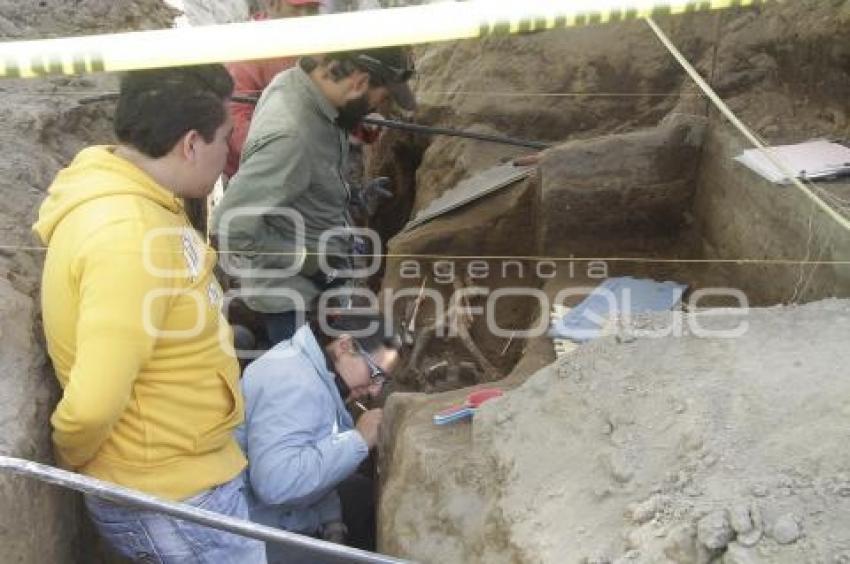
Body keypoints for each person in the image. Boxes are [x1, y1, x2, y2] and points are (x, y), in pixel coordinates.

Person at [33, 66, 266, 563]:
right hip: (171, 499)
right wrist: (83, 462)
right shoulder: (126, 237)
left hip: (187, 475)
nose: (229, 155)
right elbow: (92, 407)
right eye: (225, 139)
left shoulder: (148, 200)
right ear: (189, 144)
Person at [211, 48, 415, 346]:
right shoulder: (291, 137)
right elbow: (231, 228)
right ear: (359, 83)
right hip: (295, 302)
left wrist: (353, 197)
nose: (377, 108)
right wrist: (312, 262)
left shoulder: (304, 88)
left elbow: (301, 181)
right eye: (381, 98)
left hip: (322, 281)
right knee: (307, 384)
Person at [237, 309, 401, 562]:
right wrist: (358, 441)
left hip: (272, 510)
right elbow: (274, 485)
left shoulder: (314, 369)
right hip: (244, 527)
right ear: (346, 346)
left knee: (361, 492)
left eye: (383, 380)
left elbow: (311, 449)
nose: (375, 390)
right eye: (375, 373)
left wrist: (331, 521)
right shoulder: (294, 383)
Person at [224, 0, 324, 180]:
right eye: (298, 9)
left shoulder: (320, 44)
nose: (305, 18)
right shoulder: (248, 51)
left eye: (312, 9)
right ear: (272, 4)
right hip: (256, 175)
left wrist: (357, 120)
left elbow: (332, 99)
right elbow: (235, 122)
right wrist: (282, 153)